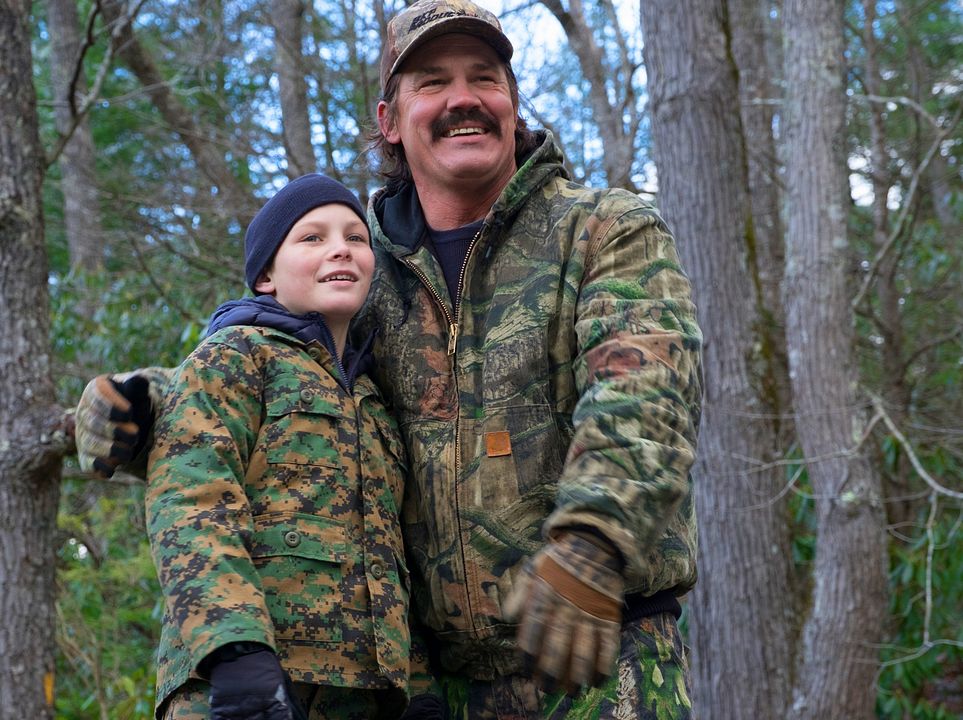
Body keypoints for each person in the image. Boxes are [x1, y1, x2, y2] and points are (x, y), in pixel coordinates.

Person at [76, 1, 703, 717]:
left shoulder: (602, 229)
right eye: (432, 81)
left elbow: (646, 387)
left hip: (593, 653)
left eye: (485, 78)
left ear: (512, 101)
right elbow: (287, 368)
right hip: (425, 686)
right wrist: (148, 403)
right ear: (389, 120)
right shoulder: (362, 260)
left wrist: (594, 539)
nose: (463, 98)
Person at [142, 173, 424, 720]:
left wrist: (419, 683)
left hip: (362, 696)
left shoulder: (375, 400)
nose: (340, 247)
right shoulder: (235, 357)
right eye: (312, 238)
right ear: (266, 274)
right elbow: (192, 503)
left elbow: (395, 555)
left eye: (355, 237)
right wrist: (236, 651)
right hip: (236, 686)